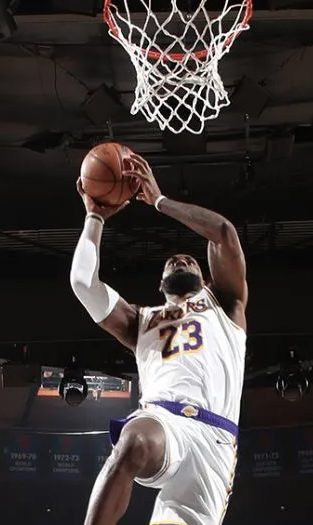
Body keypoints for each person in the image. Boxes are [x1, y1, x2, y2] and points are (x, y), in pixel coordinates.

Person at [69, 152, 247, 525]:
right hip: (163, 421)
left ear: (207, 279)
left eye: (189, 261)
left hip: (215, 441)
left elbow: (223, 232)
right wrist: (94, 217)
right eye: (172, 262)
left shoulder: (226, 304)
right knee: (132, 441)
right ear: (160, 284)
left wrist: (159, 200)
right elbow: (83, 283)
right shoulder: (140, 321)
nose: (181, 261)